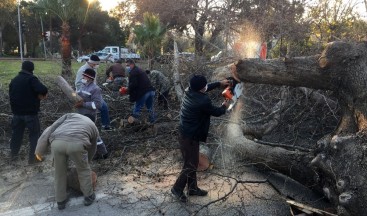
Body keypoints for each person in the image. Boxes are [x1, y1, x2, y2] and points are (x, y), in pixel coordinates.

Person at [171, 74, 229, 203]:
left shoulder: (189, 90)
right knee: (191, 164)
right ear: (200, 89)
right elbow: (217, 112)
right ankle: (177, 189)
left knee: (192, 162)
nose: (206, 87)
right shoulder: (202, 101)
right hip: (189, 136)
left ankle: (192, 188)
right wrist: (225, 105)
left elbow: (206, 87)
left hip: (185, 132)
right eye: (204, 86)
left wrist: (219, 83)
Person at [35, 113, 98, 210]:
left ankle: (60, 201)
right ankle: (88, 196)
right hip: (77, 144)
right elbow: (92, 148)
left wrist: (39, 150)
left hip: (57, 143)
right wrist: (86, 162)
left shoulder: (70, 115)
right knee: (83, 170)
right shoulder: (93, 126)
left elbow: (50, 129)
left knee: (59, 172)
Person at [9, 60, 48, 164]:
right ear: (32, 69)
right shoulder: (31, 79)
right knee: (34, 136)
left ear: (22, 68)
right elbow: (43, 89)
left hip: (16, 114)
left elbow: (11, 95)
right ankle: (33, 159)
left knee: (16, 135)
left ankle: (13, 156)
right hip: (30, 114)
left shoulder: (14, 80)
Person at [75, 68, 108, 159]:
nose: (83, 77)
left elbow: (97, 104)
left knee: (93, 135)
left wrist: (83, 104)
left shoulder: (95, 89)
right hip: (81, 114)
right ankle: (91, 153)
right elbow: (80, 96)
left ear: (89, 78)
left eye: (85, 75)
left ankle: (103, 152)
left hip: (89, 115)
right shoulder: (83, 85)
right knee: (87, 134)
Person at [75, 55, 114, 131]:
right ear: (92, 63)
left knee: (103, 107)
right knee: (101, 107)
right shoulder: (82, 70)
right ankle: (103, 126)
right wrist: (81, 96)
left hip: (93, 92)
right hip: (85, 95)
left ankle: (104, 125)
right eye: (96, 64)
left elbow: (94, 82)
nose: (97, 66)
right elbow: (78, 84)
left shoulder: (93, 69)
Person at [125, 59, 156, 124]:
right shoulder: (139, 69)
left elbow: (133, 84)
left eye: (128, 65)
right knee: (150, 107)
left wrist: (128, 90)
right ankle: (153, 121)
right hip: (150, 90)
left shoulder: (133, 72)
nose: (127, 67)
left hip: (144, 92)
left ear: (132, 64)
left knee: (137, 106)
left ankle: (134, 122)